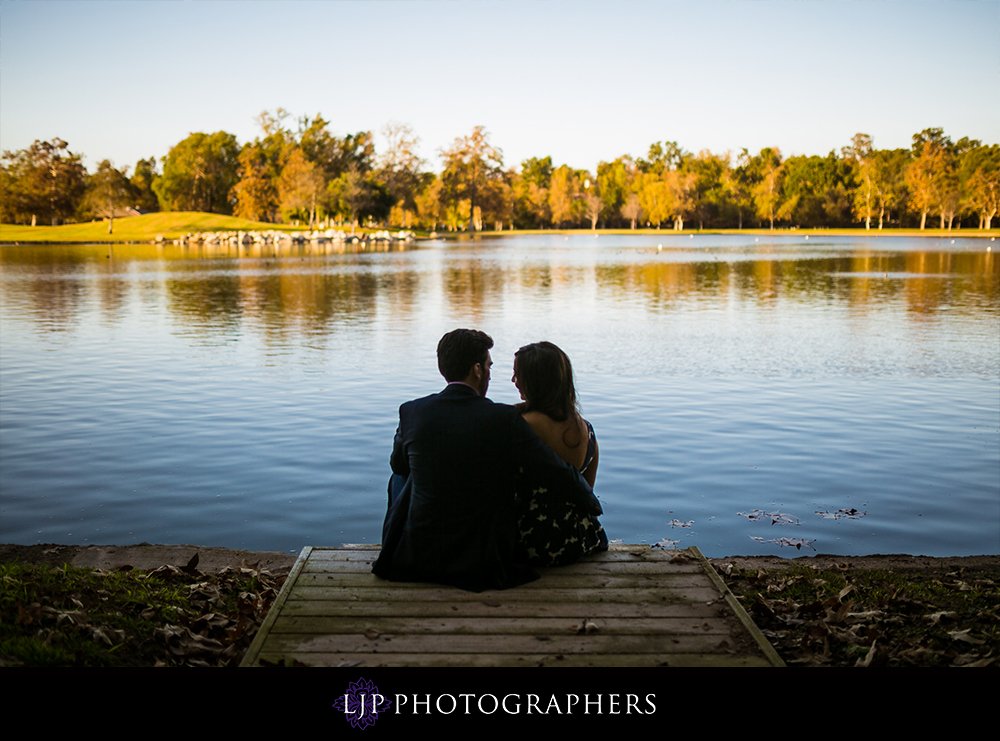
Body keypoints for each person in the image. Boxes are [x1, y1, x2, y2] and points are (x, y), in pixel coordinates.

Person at [372, 329, 602, 592]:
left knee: (403, 474)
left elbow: (398, 466)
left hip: (416, 555)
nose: (493, 374)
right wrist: (591, 503)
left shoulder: (411, 411)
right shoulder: (503, 419)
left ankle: (393, 543)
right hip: (480, 561)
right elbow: (556, 472)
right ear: (477, 370)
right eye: (490, 366)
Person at [512, 341, 609, 566]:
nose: (513, 381)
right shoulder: (586, 428)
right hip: (583, 540)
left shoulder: (522, 424)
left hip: (532, 542)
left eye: (518, 374)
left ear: (536, 380)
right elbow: (587, 487)